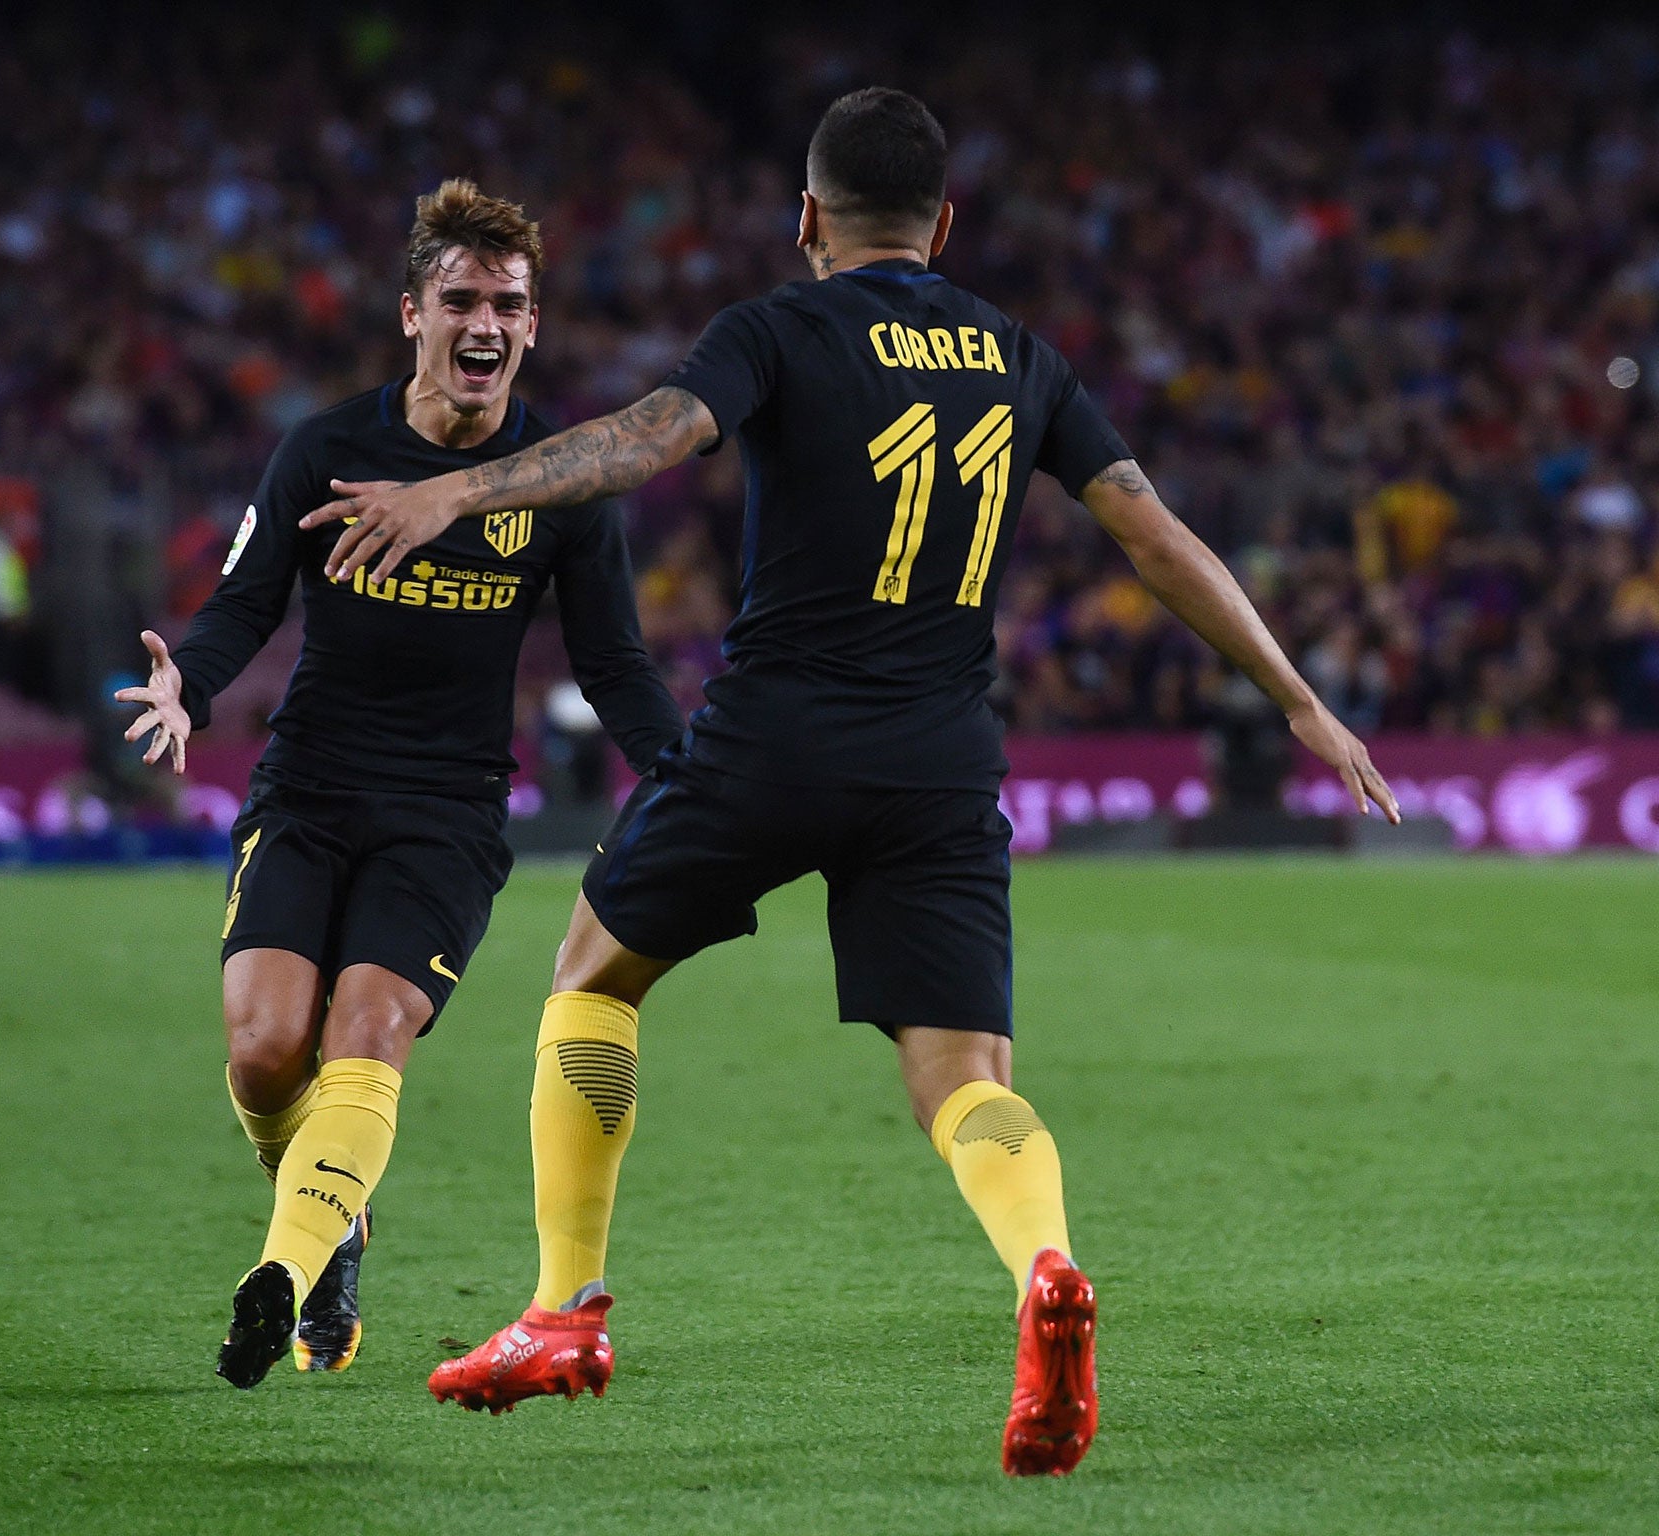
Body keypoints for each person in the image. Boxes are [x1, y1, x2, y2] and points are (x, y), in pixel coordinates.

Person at [304, 89, 1399, 1475]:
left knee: (591, 978)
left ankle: (564, 1309)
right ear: (944, 223)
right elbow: (1153, 534)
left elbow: (644, 439)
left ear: (809, 218)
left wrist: (460, 492)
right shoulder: (1019, 353)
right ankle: (1044, 1268)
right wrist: (1299, 700)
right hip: (941, 758)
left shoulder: (776, 326)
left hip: (775, 736)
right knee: (965, 1077)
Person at [115, 180, 682, 1387]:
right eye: (463, 299)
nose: (486, 323)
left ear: (531, 328)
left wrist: (690, 769)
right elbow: (241, 605)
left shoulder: (555, 479)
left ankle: (287, 1270)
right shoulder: (326, 448)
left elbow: (612, 662)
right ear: (412, 314)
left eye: (509, 304)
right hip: (310, 787)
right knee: (269, 1053)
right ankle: (342, 1220)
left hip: (446, 810)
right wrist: (187, 691)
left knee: (367, 1029)